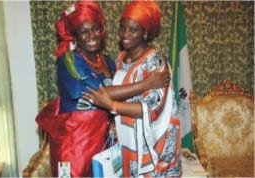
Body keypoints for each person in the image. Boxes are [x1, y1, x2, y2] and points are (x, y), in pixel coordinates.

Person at [35, 1, 170, 177]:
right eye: (84, 31)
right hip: (74, 144)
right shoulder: (68, 61)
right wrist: (145, 84)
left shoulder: (109, 62)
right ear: (75, 37)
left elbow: (116, 98)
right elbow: (96, 93)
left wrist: (113, 120)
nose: (92, 35)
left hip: (102, 143)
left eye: (96, 29)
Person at [83, 1, 182, 177]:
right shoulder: (122, 58)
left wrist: (112, 106)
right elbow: (110, 91)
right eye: (123, 28)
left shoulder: (156, 62)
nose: (125, 34)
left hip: (154, 145)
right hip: (129, 143)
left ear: (145, 33)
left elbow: (152, 109)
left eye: (133, 30)